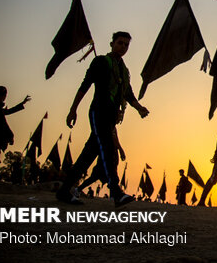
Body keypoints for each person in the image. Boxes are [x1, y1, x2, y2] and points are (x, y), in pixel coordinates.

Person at [56, 31, 149, 207]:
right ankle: (116, 192)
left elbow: (128, 93)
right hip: (99, 112)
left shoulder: (123, 69)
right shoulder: (100, 62)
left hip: (111, 116)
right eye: (120, 43)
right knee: (107, 150)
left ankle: (64, 190)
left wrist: (139, 109)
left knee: (88, 155)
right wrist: (73, 109)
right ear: (112, 43)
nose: (123, 47)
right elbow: (85, 84)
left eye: (126, 45)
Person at [0, 86, 30, 179]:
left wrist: (22, 103)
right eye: (4, 95)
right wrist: (10, 135)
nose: (5, 97)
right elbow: (2, 123)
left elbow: (7, 112)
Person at [74, 126, 126, 198]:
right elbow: (113, 138)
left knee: (108, 177)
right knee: (102, 176)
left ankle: (115, 196)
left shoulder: (113, 127)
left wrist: (119, 150)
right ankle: (116, 196)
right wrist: (120, 150)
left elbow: (116, 139)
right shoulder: (107, 125)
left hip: (112, 152)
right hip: (106, 153)